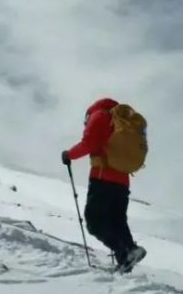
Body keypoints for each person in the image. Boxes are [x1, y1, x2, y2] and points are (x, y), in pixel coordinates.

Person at [62, 98, 146, 273]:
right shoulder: (124, 121)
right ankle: (126, 262)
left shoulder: (99, 115)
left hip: (102, 178)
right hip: (122, 181)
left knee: (95, 222)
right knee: (118, 222)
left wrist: (69, 154)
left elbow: (89, 143)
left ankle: (127, 251)